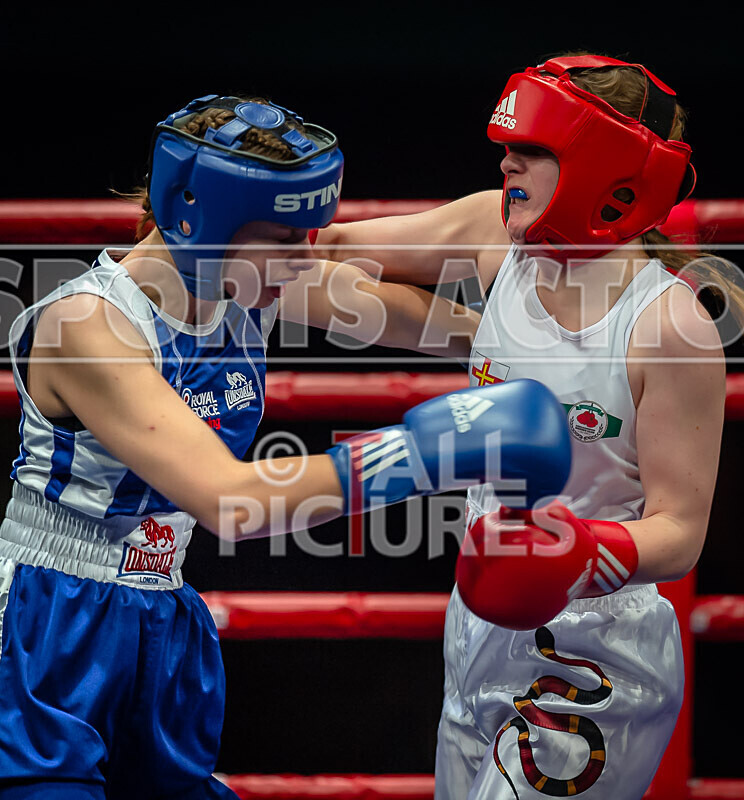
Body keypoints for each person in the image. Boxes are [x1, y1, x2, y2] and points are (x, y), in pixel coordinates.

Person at [0, 95, 573, 799]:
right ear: (199, 219)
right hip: (48, 626)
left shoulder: (242, 282)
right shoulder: (87, 327)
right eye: (285, 238)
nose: (308, 259)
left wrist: (545, 356)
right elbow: (229, 500)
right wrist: (436, 449)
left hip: (161, 614)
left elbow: (432, 324)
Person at [315, 55, 744, 799]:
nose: (506, 163)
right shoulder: (494, 234)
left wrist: (575, 552)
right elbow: (332, 256)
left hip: (595, 654)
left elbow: (680, 531)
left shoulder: (668, 325)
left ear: (606, 169)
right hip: (478, 626)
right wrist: (215, 238)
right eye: (508, 146)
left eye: (532, 150)